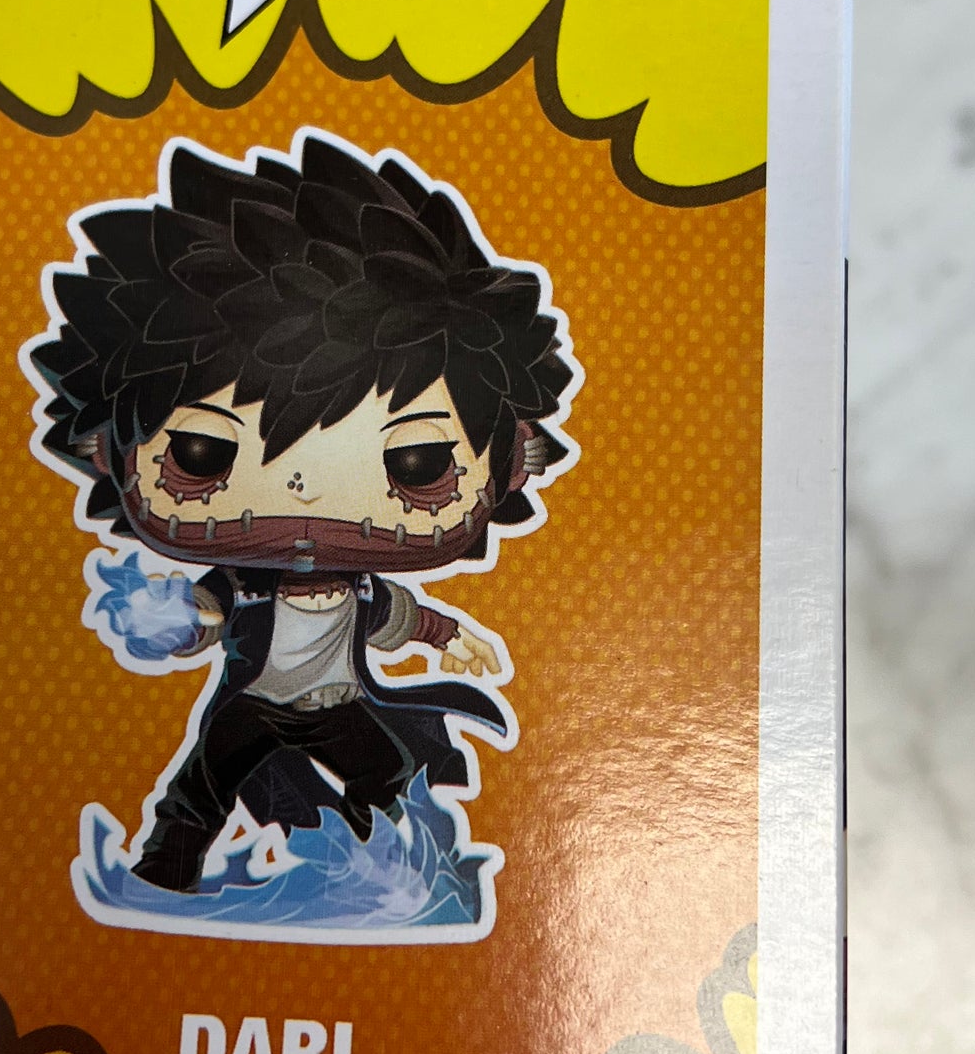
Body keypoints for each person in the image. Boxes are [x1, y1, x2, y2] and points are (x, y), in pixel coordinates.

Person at [28, 133, 577, 892]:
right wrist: (176, 622)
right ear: (101, 449)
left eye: (417, 464)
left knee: (390, 777)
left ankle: (371, 876)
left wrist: (451, 637)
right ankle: (163, 875)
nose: (304, 494)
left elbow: (397, 618)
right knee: (202, 791)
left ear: (516, 458)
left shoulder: (360, 586)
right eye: (199, 454)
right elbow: (207, 614)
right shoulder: (245, 579)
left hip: (335, 706)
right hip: (252, 707)